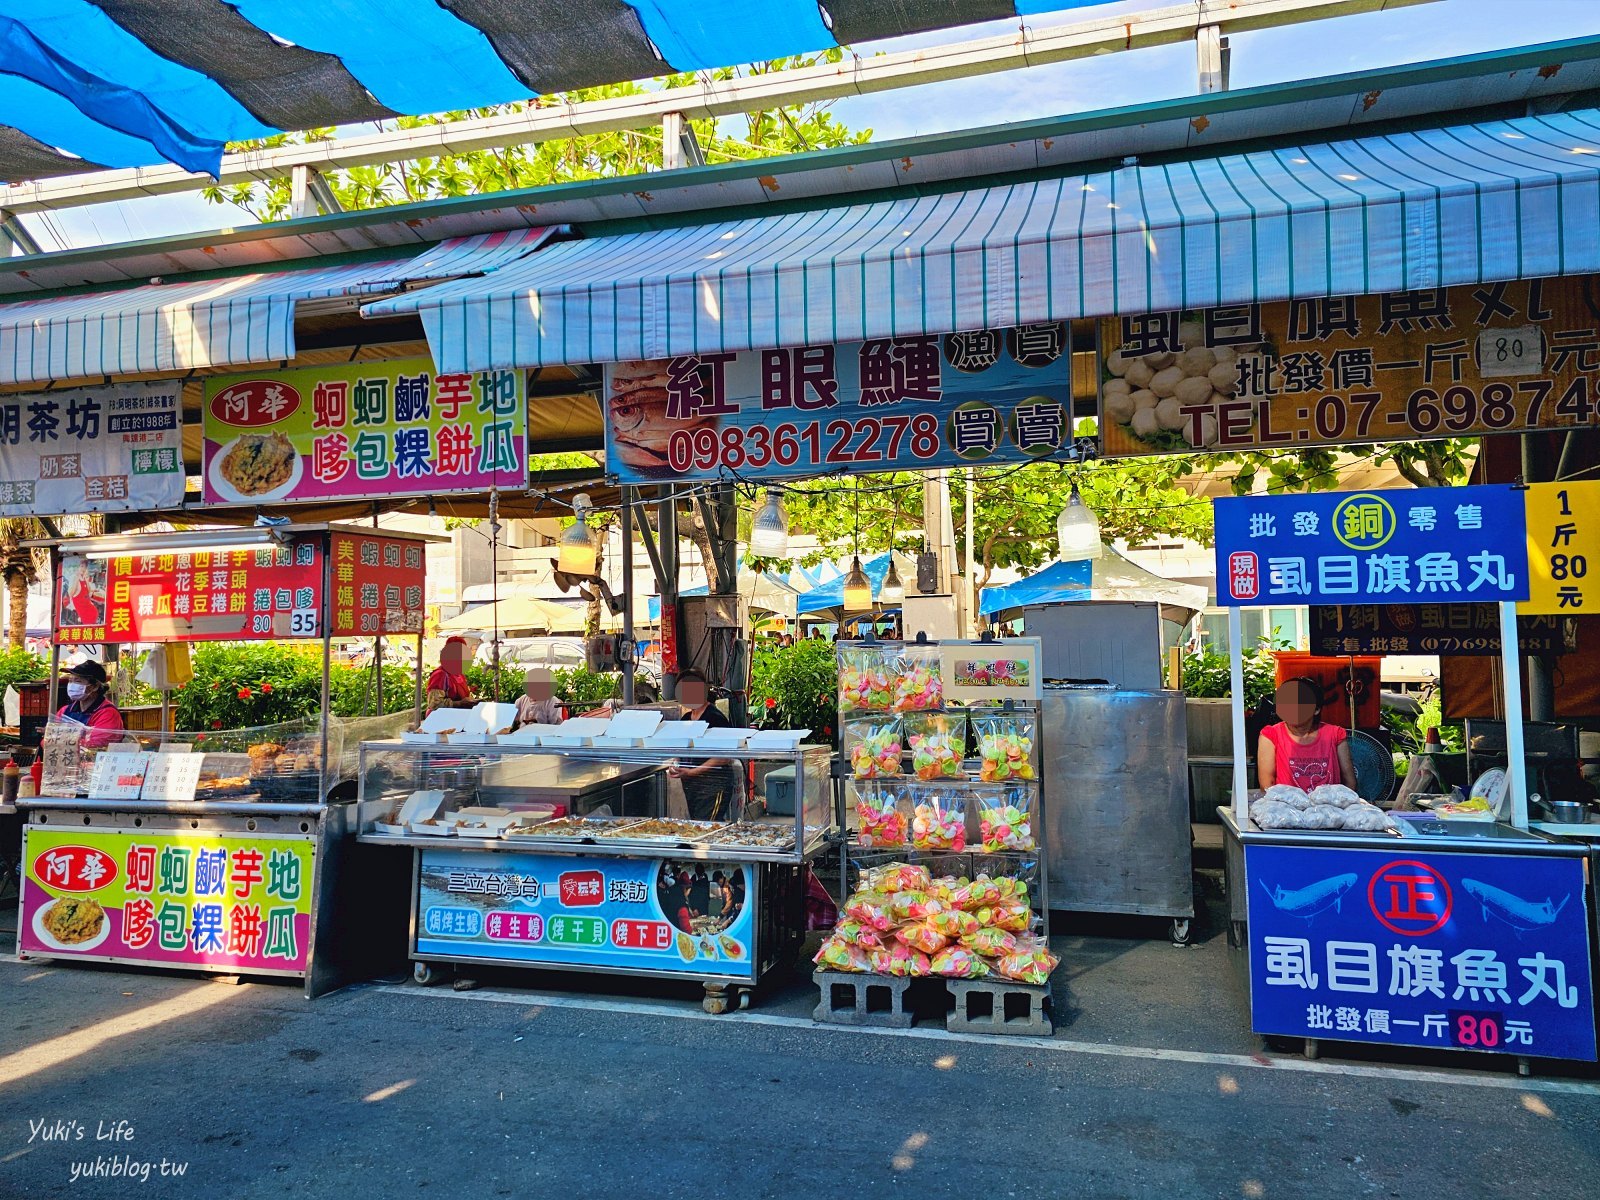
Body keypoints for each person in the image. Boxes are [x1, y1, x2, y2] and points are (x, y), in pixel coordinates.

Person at [1257, 676, 1359, 793]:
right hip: (1285, 806)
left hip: (1328, 807)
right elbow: (1266, 785)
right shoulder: (1270, 735)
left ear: (1316, 709)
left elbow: (1350, 782)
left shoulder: (1335, 734)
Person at [667, 669, 744, 820]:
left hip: (714, 784)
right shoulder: (686, 719)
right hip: (691, 786)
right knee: (696, 826)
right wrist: (675, 763)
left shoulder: (714, 717)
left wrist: (692, 772)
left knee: (708, 826)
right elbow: (680, 748)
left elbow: (723, 756)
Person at [55, 659, 125, 749]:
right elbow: (46, 742)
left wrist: (59, 738)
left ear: (95, 686)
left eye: (78, 681)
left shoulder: (108, 713)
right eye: (70, 681)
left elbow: (97, 745)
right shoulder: (65, 710)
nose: (72, 685)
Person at [426, 636, 475, 711]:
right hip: (443, 719)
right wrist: (460, 703)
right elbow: (434, 704)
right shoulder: (440, 675)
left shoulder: (460, 674)